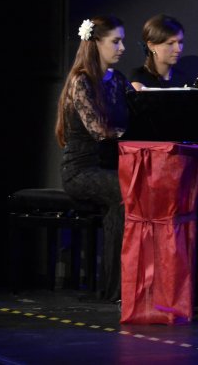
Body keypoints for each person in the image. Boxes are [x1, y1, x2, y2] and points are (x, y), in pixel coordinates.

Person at [55, 15, 132, 303]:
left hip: (110, 168)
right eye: (116, 41)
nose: (122, 47)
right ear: (96, 43)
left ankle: (119, 288)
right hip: (80, 171)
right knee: (125, 193)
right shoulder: (81, 81)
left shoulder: (119, 80)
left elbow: (139, 115)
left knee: (123, 198)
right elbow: (100, 131)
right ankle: (117, 288)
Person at [129, 13, 198, 89]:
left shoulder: (184, 79)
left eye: (180, 42)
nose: (178, 49)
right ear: (151, 46)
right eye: (170, 43)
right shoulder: (139, 77)